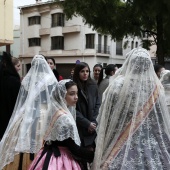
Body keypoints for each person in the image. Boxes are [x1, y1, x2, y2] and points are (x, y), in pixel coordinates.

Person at [92, 48, 170, 170]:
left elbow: (107, 117)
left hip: (119, 144)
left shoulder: (118, 84)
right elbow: (160, 121)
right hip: (150, 145)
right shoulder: (156, 87)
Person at [0, 55, 58, 170]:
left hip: (26, 115)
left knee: (21, 141)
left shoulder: (27, 79)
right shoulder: (51, 79)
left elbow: (22, 100)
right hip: (44, 115)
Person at [28, 80, 94, 170]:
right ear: (62, 95)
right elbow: (73, 148)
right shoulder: (64, 118)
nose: (76, 97)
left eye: (77, 94)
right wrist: (92, 154)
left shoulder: (55, 112)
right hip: (61, 157)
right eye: (72, 94)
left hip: (47, 153)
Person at [73, 62, 101, 169]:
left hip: (92, 126)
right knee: (81, 157)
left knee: (92, 156)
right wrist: (86, 123)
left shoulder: (93, 85)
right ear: (77, 73)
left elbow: (98, 104)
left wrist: (92, 122)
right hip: (80, 126)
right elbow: (72, 109)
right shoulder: (73, 86)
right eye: (82, 71)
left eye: (87, 71)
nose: (85, 74)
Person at [0, 52, 21, 139]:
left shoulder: (3, 77)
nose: (20, 68)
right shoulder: (14, 80)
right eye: (18, 66)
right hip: (11, 116)